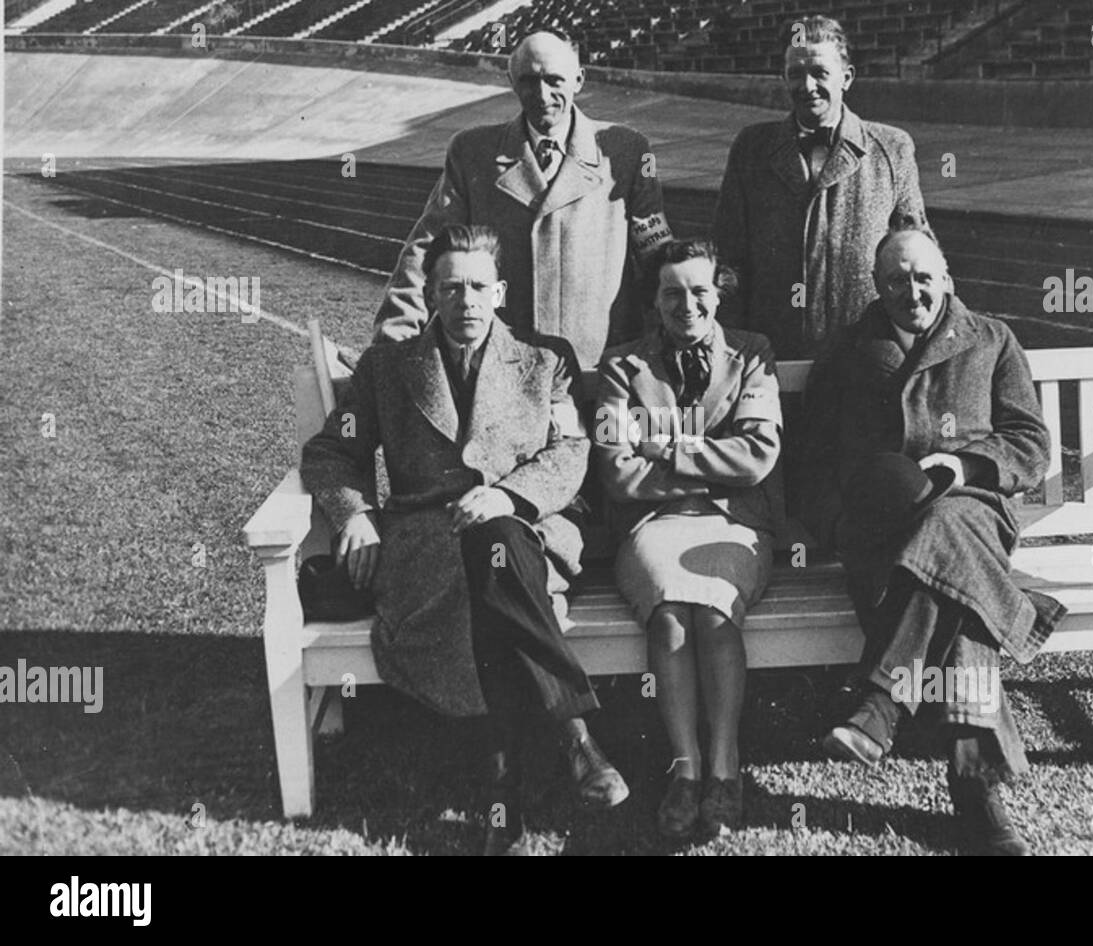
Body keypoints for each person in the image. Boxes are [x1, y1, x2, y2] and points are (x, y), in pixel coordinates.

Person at [302, 224, 628, 856]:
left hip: (526, 529)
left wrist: (507, 495)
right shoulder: (389, 366)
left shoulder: (545, 358)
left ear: (500, 291)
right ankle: (575, 735)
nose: (467, 301)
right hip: (428, 544)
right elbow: (333, 452)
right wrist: (355, 515)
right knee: (482, 571)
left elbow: (572, 448)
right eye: (451, 288)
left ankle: (502, 806)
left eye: (479, 286)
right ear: (429, 295)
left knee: (493, 546)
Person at [800, 220, 1066, 855]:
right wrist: (838, 525)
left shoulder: (992, 341)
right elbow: (808, 464)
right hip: (883, 534)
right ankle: (976, 795)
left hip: (974, 509)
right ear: (876, 286)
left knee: (948, 526)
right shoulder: (847, 354)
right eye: (896, 280)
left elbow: (1031, 443)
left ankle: (880, 705)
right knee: (960, 589)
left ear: (946, 279)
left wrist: (964, 466)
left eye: (923, 277)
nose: (911, 292)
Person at [592, 239, 783, 841]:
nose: (687, 304)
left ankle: (726, 769)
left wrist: (669, 451)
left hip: (735, 525)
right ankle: (686, 771)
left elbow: (757, 457)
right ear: (653, 300)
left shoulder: (753, 355)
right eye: (671, 292)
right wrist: (701, 474)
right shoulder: (622, 367)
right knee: (672, 613)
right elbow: (616, 474)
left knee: (715, 610)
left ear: (718, 291)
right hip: (651, 529)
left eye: (699, 291)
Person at [373, 30, 672, 367]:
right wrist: (396, 336)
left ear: (579, 79)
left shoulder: (628, 151)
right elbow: (427, 247)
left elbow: (655, 251)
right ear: (511, 81)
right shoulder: (472, 152)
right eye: (529, 81)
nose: (542, 95)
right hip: (500, 368)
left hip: (600, 367)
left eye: (554, 80)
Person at [713, 14, 927, 359]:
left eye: (819, 73)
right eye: (795, 74)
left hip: (864, 360)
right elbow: (727, 260)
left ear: (847, 77)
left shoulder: (892, 148)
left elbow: (917, 254)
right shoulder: (751, 148)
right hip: (769, 358)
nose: (807, 86)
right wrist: (731, 351)